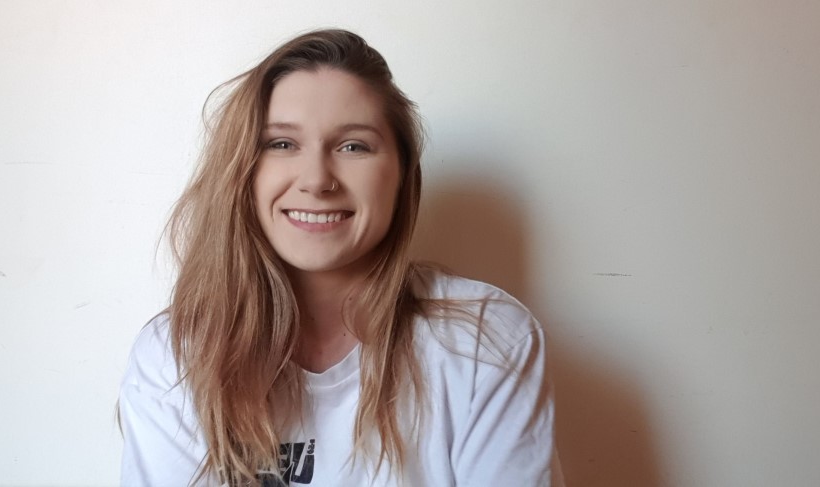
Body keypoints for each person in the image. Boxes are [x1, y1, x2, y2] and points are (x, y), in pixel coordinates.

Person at [118, 29, 563, 486]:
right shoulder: (176, 356)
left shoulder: (485, 341)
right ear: (242, 173)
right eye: (281, 144)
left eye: (354, 146)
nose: (316, 179)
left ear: (402, 175)